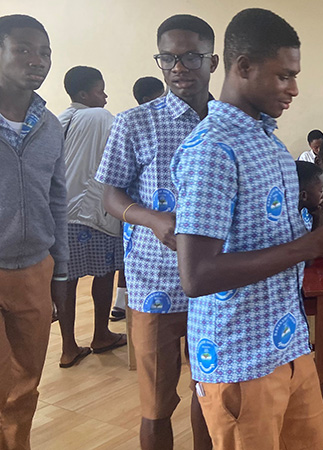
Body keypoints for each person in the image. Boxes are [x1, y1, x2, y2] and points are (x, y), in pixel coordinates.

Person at [171, 10, 323, 449]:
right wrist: (311, 244)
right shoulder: (213, 149)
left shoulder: (268, 142)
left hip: (287, 343)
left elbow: (281, 245)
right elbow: (197, 275)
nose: (295, 89)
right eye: (284, 75)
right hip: (240, 357)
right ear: (243, 66)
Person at [95, 14, 216, 450]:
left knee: (211, 393)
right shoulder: (134, 123)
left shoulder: (229, 123)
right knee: (155, 401)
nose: (179, 67)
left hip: (214, 284)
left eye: (190, 57)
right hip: (154, 281)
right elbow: (110, 195)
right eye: (168, 58)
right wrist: (152, 218)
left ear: (213, 61)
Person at [0, 15, 67, 450]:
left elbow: (58, 199)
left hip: (33, 270)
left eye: (43, 51)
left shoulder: (51, 126)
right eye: (23, 49)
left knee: (25, 382)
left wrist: (60, 272)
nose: (37, 60)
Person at [56, 66, 126, 369]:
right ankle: (100, 334)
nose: (106, 96)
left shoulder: (59, 119)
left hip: (62, 216)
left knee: (66, 281)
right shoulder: (100, 117)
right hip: (96, 213)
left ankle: (68, 347)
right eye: (101, 90)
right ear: (85, 94)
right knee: (104, 274)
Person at [296, 160, 323, 231]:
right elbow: (316, 241)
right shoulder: (292, 222)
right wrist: (319, 220)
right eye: (321, 191)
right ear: (304, 196)